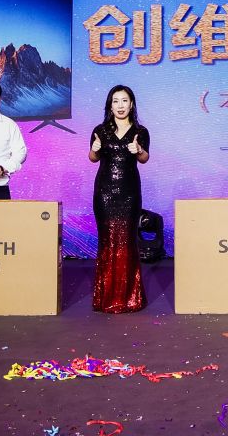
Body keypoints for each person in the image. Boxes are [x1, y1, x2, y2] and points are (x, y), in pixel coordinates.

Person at [87, 84, 149, 313]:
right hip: (104, 193)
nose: (120, 105)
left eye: (124, 101)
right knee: (108, 241)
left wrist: (138, 150)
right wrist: (95, 149)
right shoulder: (100, 130)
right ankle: (106, 297)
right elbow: (92, 158)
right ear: (110, 105)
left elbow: (145, 158)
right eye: (116, 101)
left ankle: (130, 298)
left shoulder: (140, 131)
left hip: (129, 193)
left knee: (127, 242)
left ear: (131, 104)